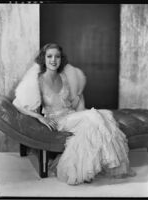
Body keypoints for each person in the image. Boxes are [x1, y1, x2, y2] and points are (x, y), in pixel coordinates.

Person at [12, 43, 136, 185]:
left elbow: (73, 101)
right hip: (57, 120)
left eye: (57, 56)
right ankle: (110, 160)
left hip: (71, 115)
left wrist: (79, 102)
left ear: (61, 59)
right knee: (94, 116)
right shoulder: (37, 80)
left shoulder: (64, 77)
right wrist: (39, 117)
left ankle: (87, 170)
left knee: (104, 116)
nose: (53, 60)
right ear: (43, 58)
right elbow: (17, 103)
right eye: (49, 56)